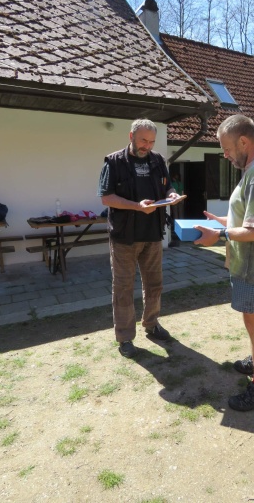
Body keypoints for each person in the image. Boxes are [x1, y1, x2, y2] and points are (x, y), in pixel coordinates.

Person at [194, 115, 254, 411]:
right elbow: (252, 217)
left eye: (226, 148)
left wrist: (220, 234)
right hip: (251, 263)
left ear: (244, 141)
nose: (225, 154)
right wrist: (224, 220)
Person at [98, 119, 184, 358]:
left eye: (151, 141)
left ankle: (152, 324)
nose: (147, 146)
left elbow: (167, 187)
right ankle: (125, 338)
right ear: (131, 136)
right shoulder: (113, 161)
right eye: (143, 140)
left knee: (154, 285)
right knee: (124, 288)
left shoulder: (157, 161)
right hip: (125, 237)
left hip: (153, 234)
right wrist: (137, 206)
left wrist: (172, 194)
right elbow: (106, 198)